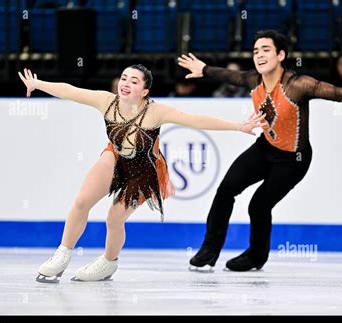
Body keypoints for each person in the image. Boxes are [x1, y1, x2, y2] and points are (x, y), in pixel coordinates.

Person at [18, 65, 265, 283]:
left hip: (145, 171)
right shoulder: (106, 101)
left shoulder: (155, 112)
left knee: (114, 219)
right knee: (82, 201)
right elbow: (71, 91)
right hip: (115, 156)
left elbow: (196, 120)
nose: (125, 83)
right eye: (124, 78)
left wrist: (237, 126)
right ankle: (62, 254)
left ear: (145, 91)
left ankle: (108, 262)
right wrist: (37, 84)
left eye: (134, 81)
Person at [178, 29, 342, 272]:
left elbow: (336, 92)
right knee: (226, 189)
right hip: (265, 148)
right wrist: (205, 69)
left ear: (280, 55)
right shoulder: (254, 80)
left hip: (294, 160)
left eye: (266, 50)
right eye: (255, 51)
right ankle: (209, 250)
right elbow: (231, 76)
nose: (259, 55)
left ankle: (256, 256)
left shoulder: (298, 85)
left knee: (258, 205)